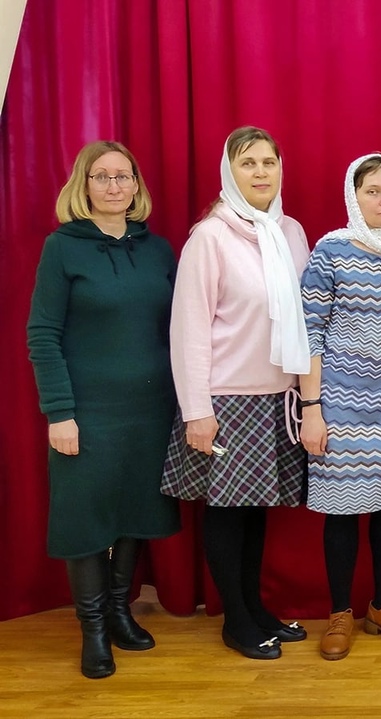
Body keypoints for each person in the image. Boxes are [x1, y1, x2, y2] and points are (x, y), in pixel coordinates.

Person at [27, 141, 182, 679]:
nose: (114, 185)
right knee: (87, 519)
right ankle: (92, 629)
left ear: (136, 185)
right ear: (84, 186)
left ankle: (119, 611)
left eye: (123, 176)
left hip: (151, 408)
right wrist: (59, 412)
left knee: (136, 510)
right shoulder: (62, 248)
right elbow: (42, 334)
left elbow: (179, 328)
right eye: (102, 176)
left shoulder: (159, 250)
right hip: (87, 411)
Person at [160, 126, 310, 660]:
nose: (261, 172)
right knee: (227, 512)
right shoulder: (210, 237)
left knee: (256, 511)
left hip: (278, 398)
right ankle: (237, 621)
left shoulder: (291, 232)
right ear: (230, 172)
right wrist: (196, 411)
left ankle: (256, 608)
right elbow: (189, 329)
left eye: (269, 162)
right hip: (226, 399)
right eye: (248, 163)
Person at [300, 153, 381, 660]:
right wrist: (312, 408)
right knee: (342, 510)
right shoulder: (330, 251)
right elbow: (309, 333)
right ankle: (340, 612)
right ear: (353, 196)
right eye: (374, 191)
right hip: (340, 401)